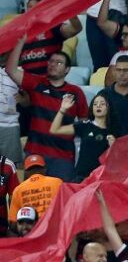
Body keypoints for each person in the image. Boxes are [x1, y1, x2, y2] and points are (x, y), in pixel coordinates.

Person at [6, 37, 87, 180]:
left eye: (59, 62)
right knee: (33, 197)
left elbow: (84, 123)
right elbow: (11, 70)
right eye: (51, 61)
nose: (53, 65)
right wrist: (20, 43)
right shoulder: (37, 83)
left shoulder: (76, 92)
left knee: (61, 199)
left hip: (63, 156)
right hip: (35, 153)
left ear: (67, 69)